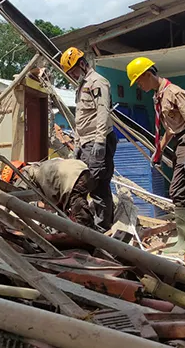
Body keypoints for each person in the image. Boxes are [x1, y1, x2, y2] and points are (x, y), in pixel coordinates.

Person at [127, 56, 185, 253]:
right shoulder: (159, 96)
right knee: (181, 191)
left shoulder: (174, 92)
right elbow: (170, 129)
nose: (139, 86)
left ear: (148, 74)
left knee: (177, 191)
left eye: (139, 81)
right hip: (180, 141)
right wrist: (158, 150)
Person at [60, 46, 117, 230]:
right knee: (89, 185)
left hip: (96, 141)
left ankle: (102, 229)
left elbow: (103, 112)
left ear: (82, 64)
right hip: (86, 143)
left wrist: (100, 141)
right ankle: (93, 225)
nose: (72, 75)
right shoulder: (82, 86)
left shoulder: (98, 82)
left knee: (96, 186)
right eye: (70, 73)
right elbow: (81, 118)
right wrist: (77, 143)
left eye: (73, 71)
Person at [0, 159, 95, 228]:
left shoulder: (25, 174)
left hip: (73, 178)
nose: (15, 184)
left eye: (13, 182)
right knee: (75, 211)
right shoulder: (40, 169)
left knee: (82, 218)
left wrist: (3, 217)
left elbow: (16, 198)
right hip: (83, 171)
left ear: (15, 175)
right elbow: (51, 204)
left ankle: (89, 237)